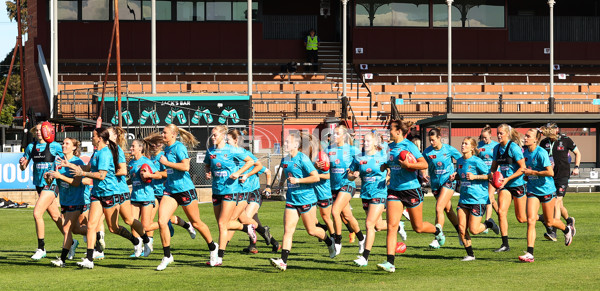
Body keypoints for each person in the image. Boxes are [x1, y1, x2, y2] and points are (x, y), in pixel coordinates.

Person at [65, 127, 144, 269]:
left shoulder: (106, 153)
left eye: (93, 136)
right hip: (97, 193)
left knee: (114, 228)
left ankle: (138, 240)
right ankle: (89, 259)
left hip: (109, 193)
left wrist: (82, 173)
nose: (91, 138)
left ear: (100, 138)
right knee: (91, 225)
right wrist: (70, 165)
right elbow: (89, 168)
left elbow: (101, 175)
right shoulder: (97, 152)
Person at [378, 120, 438, 273]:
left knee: (417, 227)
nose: (388, 131)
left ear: (398, 132)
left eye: (390, 129)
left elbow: (424, 164)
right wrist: (385, 166)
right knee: (391, 226)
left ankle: (437, 231)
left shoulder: (409, 145)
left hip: (411, 190)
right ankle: (390, 262)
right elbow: (390, 164)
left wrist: (409, 166)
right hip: (394, 190)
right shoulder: (389, 147)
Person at [269, 133, 335, 271]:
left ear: (296, 145)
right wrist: (280, 184)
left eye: (288, 142)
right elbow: (284, 173)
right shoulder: (285, 159)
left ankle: (329, 241)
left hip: (307, 199)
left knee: (311, 231)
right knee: (288, 230)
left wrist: (298, 180)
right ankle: (283, 261)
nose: (285, 144)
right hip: (292, 200)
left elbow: (316, 177)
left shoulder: (303, 159)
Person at [156, 124, 218, 271]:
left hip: (185, 190)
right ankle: (167, 256)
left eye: (165, 133)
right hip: (170, 190)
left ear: (173, 134)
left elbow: (185, 167)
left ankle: (212, 246)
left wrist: (166, 163)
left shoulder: (179, 147)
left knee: (196, 223)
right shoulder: (166, 149)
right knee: (161, 221)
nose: (162, 135)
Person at [519, 129, 574, 263]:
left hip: (547, 190)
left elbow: (550, 173)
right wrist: (527, 176)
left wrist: (532, 172)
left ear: (536, 139)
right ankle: (530, 253)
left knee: (550, 222)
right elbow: (528, 171)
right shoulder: (525, 152)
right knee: (531, 220)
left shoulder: (541, 152)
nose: (525, 138)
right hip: (532, 190)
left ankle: (567, 229)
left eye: (528, 136)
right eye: (525, 136)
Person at [203, 125, 255, 267]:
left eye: (215, 135)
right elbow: (207, 165)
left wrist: (239, 173)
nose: (213, 137)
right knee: (223, 224)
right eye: (212, 135)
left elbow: (251, 161)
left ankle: (219, 257)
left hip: (230, 190)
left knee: (222, 224)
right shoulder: (210, 151)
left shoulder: (232, 150)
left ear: (223, 136)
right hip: (216, 190)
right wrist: (208, 172)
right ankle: (246, 228)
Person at [19, 122, 65, 260]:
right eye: (37, 130)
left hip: (51, 184)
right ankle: (72, 240)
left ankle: (41, 248)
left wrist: (59, 169)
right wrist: (22, 164)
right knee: (56, 216)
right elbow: (23, 167)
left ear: (48, 131)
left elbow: (65, 161)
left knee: (37, 213)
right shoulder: (31, 147)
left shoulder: (55, 146)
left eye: (41, 130)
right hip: (39, 186)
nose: (39, 132)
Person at [107, 126, 151, 259]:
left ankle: (146, 240)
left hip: (120, 190)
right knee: (112, 228)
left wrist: (105, 174)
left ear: (114, 136)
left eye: (107, 134)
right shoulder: (103, 150)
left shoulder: (117, 150)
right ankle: (136, 240)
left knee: (129, 220)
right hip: (107, 190)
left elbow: (123, 171)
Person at [144, 132, 197, 239]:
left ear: (159, 145)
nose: (151, 147)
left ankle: (187, 225)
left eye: (153, 145)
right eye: (150, 145)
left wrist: (154, 175)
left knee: (166, 218)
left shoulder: (163, 157)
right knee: (151, 220)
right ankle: (148, 245)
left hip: (163, 191)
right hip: (152, 193)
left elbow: (166, 173)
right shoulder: (149, 159)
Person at [455, 137, 500, 261]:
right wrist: (455, 176)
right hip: (464, 199)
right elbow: (461, 175)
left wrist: (475, 177)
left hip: (478, 199)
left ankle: (489, 224)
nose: (463, 145)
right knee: (461, 228)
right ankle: (470, 255)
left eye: (466, 144)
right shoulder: (459, 161)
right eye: (462, 143)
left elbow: (490, 176)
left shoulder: (477, 161)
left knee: (474, 230)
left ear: (472, 148)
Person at [47, 138, 88, 267]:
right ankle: (94, 234)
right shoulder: (58, 161)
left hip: (76, 200)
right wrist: (49, 177)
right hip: (64, 201)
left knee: (66, 228)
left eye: (67, 144)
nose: (63, 145)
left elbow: (76, 183)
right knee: (75, 229)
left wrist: (61, 177)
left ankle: (62, 260)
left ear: (74, 148)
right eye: (63, 143)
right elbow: (51, 182)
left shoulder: (77, 162)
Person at [349, 132, 389, 267]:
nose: (365, 143)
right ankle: (396, 225)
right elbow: (349, 175)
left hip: (379, 193)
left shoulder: (383, 156)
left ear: (375, 143)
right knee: (377, 226)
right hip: (365, 194)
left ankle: (365, 257)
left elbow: (392, 170)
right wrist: (353, 176)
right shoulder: (359, 158)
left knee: (369, 224)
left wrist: (388, 179)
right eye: (364, 141)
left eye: (367, 141)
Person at [326, 125, 365, 257]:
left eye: (337, 133)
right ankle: (361, 238)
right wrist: (317, 165)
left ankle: (337, 240)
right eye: (334, 133)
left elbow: (362, 163)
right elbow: (321, 164)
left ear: (344, 135)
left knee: (335, 211)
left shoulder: (352, 150)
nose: (335, 136)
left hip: (348, 185)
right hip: (334, 187)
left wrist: (357, 173)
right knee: (347, 216)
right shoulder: (329, 149)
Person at [422, 128, 462, 248]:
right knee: (448, 210)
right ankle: (461, 232)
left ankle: (437, 236)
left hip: (448, 182)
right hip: (435, 184)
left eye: (433, 140)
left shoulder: (448, 149)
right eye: (430, 140)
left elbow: (462, 161)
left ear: (439, 138)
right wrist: (424, 173)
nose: (432, 142)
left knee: (439, 207)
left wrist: (455, 173)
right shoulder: (427, 152)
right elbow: (422, 163)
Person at [539, 123, 579, 241]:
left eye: (551, 129)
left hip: (562, 175)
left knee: (556, 202)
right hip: (549, 176)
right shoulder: (543, 142)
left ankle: (553, 231)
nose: (549, 131)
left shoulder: (566, 140)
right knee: (559, 205)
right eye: (547, 129)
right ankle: (569, 221)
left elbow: (578, 153)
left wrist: (576, 167)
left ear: (556, 130)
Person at [490, 124, 527, 252]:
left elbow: (523, 168)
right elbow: (493, 168)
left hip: (517, 184)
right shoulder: (496, 149)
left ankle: (543, 219)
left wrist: (508, 178)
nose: (499, 135)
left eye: (501, 133)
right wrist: (492, 176)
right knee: (501, 212)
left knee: (521, 218)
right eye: (498, 133)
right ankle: (505, 244)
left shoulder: (514, 148)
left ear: (507, 134)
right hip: (504, 186)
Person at [128, 139, 162, 257]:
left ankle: (165, 222)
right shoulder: (131, 163)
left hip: (147, 196)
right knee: (132, 221)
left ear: (140, 148)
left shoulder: (146, 161)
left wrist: (149, 175)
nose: (131, 148)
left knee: (146, 226)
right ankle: (137, 249)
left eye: (133, 146)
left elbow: (158, 175)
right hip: (135, 196)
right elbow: (132, 178)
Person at [478, 125, 500, 232]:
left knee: (489, 197)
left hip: (493, 175)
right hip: (483, 175)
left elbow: (499, 161)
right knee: (490, 199)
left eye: (486, 137)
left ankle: (487, 223)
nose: (484, 139)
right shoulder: (479, 146)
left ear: (490, 135)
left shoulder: (496, 146)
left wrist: (497, 173)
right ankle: (500, 213)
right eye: (483, 137)